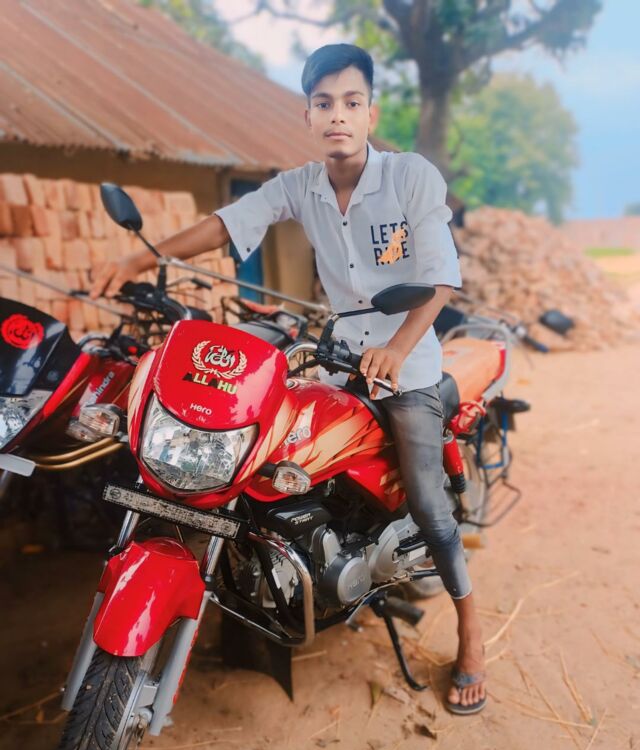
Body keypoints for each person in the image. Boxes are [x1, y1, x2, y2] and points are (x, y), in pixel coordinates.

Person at [90, 43, 486, 714]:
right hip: (339, 360)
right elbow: (227, 224)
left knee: (427, 499)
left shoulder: (409, 176)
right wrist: (139, 259)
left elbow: (441, 278)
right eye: (324, 103)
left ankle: (472, 634)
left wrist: (397, 349)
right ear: (308, 115)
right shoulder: (301, 185)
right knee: (268, 461)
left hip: (408, 368)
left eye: (352, 102)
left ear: (370, 112)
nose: (339, 115)